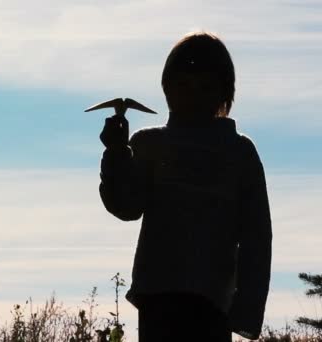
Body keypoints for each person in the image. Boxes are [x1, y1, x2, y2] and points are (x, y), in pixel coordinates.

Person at [98, 31, 272, 341]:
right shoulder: (149, 144)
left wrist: (246, 308)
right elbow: (126, 206)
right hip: (158, 299)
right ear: (167, 88)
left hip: (213, 302)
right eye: (183, 85)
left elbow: (256, 238)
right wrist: (116, 153)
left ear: (223, 94)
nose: (192, 95)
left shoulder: (238, 153)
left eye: (204, 87)